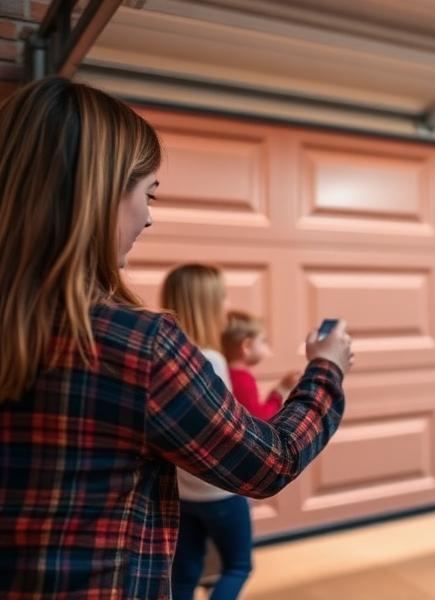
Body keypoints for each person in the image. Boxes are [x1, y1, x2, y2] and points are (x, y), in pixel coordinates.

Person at [0, 76, 353, 599]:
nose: (148, 217)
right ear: (98, 196)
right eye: (147, 193)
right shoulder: (137, 345)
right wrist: (326, 369)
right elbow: (268, 462)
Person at [161, 265, 254, 600]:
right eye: (223, 295)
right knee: (238, 566)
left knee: (184, 572)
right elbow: (227, 431)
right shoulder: (211, 359)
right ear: (209, 303)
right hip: (220, 493)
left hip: (183, 492)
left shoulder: (167, 356)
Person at [222, 310, 301, 421]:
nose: (267, 346)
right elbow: (261, 419)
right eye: (263, 341)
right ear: (247, 346)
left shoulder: (224, 371)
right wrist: (280, 391)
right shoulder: (244, 380)